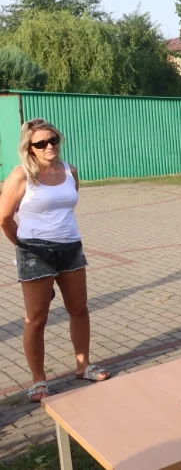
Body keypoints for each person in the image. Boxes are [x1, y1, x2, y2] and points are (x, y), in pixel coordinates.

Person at [0, 119, 110, 403]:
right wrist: (24, 247)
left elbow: (69, 204)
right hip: (35, 251)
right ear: (30, 147)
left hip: (71, 247)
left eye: (53, 140)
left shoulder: (70, 170)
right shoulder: (21, 175)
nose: (49, 146)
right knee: (37, 318)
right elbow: (4, 218)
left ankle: (83, 365)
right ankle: (38, 380)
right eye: (41, 143)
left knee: (78, 308)